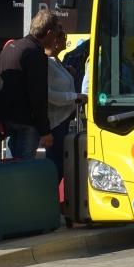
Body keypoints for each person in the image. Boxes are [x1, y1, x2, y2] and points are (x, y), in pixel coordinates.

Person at [0, 10, 58, 160]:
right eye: (56, 34)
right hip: (26, 121)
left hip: (7, 119)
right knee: (24, 168)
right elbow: (38, 95)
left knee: (11, 165)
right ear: (49, 32)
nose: (56, 39)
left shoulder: (11, 47)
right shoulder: (35, 54)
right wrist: (45, 130)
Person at [45, 25, 87, 182]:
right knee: (56, 164)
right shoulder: (47, 63)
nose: (67, 39)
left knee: (61, 163)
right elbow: (48, 94)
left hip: (64, 121)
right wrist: (74, 97)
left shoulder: (58, 62)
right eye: (64, 37)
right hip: (55, 122)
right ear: (56, 40)